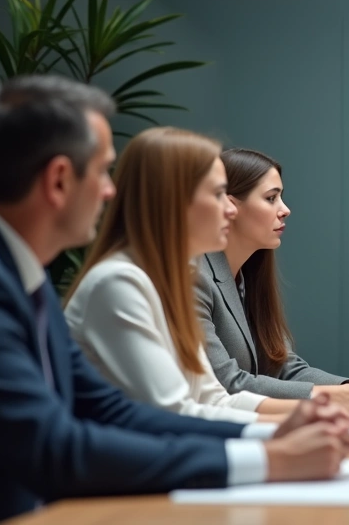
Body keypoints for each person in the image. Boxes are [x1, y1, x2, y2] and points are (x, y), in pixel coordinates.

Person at [0, 76, 349, 525]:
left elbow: (108, 409)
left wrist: (261, 441)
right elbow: (54, 448)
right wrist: (269, 460)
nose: (111, 191)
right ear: (59, 180)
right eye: (101, 171)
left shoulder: (16, 268)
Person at [65, 128, 307, 423]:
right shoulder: (119, 283)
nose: (231, 209)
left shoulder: (173, 278)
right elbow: (174, 412)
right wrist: (277, 445)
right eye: (218, 194)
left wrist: (317, 411)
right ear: (175, 200)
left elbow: (213, 398)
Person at [196, 148, 349, 418]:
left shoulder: (247, 275)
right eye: (271, 198)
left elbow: (282, 366)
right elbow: (227, 385)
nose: (285, 210)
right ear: (231, 207)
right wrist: (339, 398)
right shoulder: (194, 278)